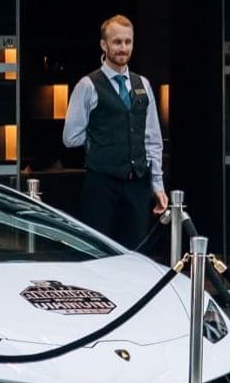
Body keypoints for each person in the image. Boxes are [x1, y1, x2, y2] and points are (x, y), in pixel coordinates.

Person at [62, 14, 170, 246]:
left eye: (128, 42)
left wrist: (157, 186)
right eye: (117, 42)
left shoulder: (143, 84)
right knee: (101, 251)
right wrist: (102, 139)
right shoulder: (88, 85)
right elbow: (71, 138)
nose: (123, 48)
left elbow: (152, 140)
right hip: (102, 184)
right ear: (104, 45)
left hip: (138, 185)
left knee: (136, 252)